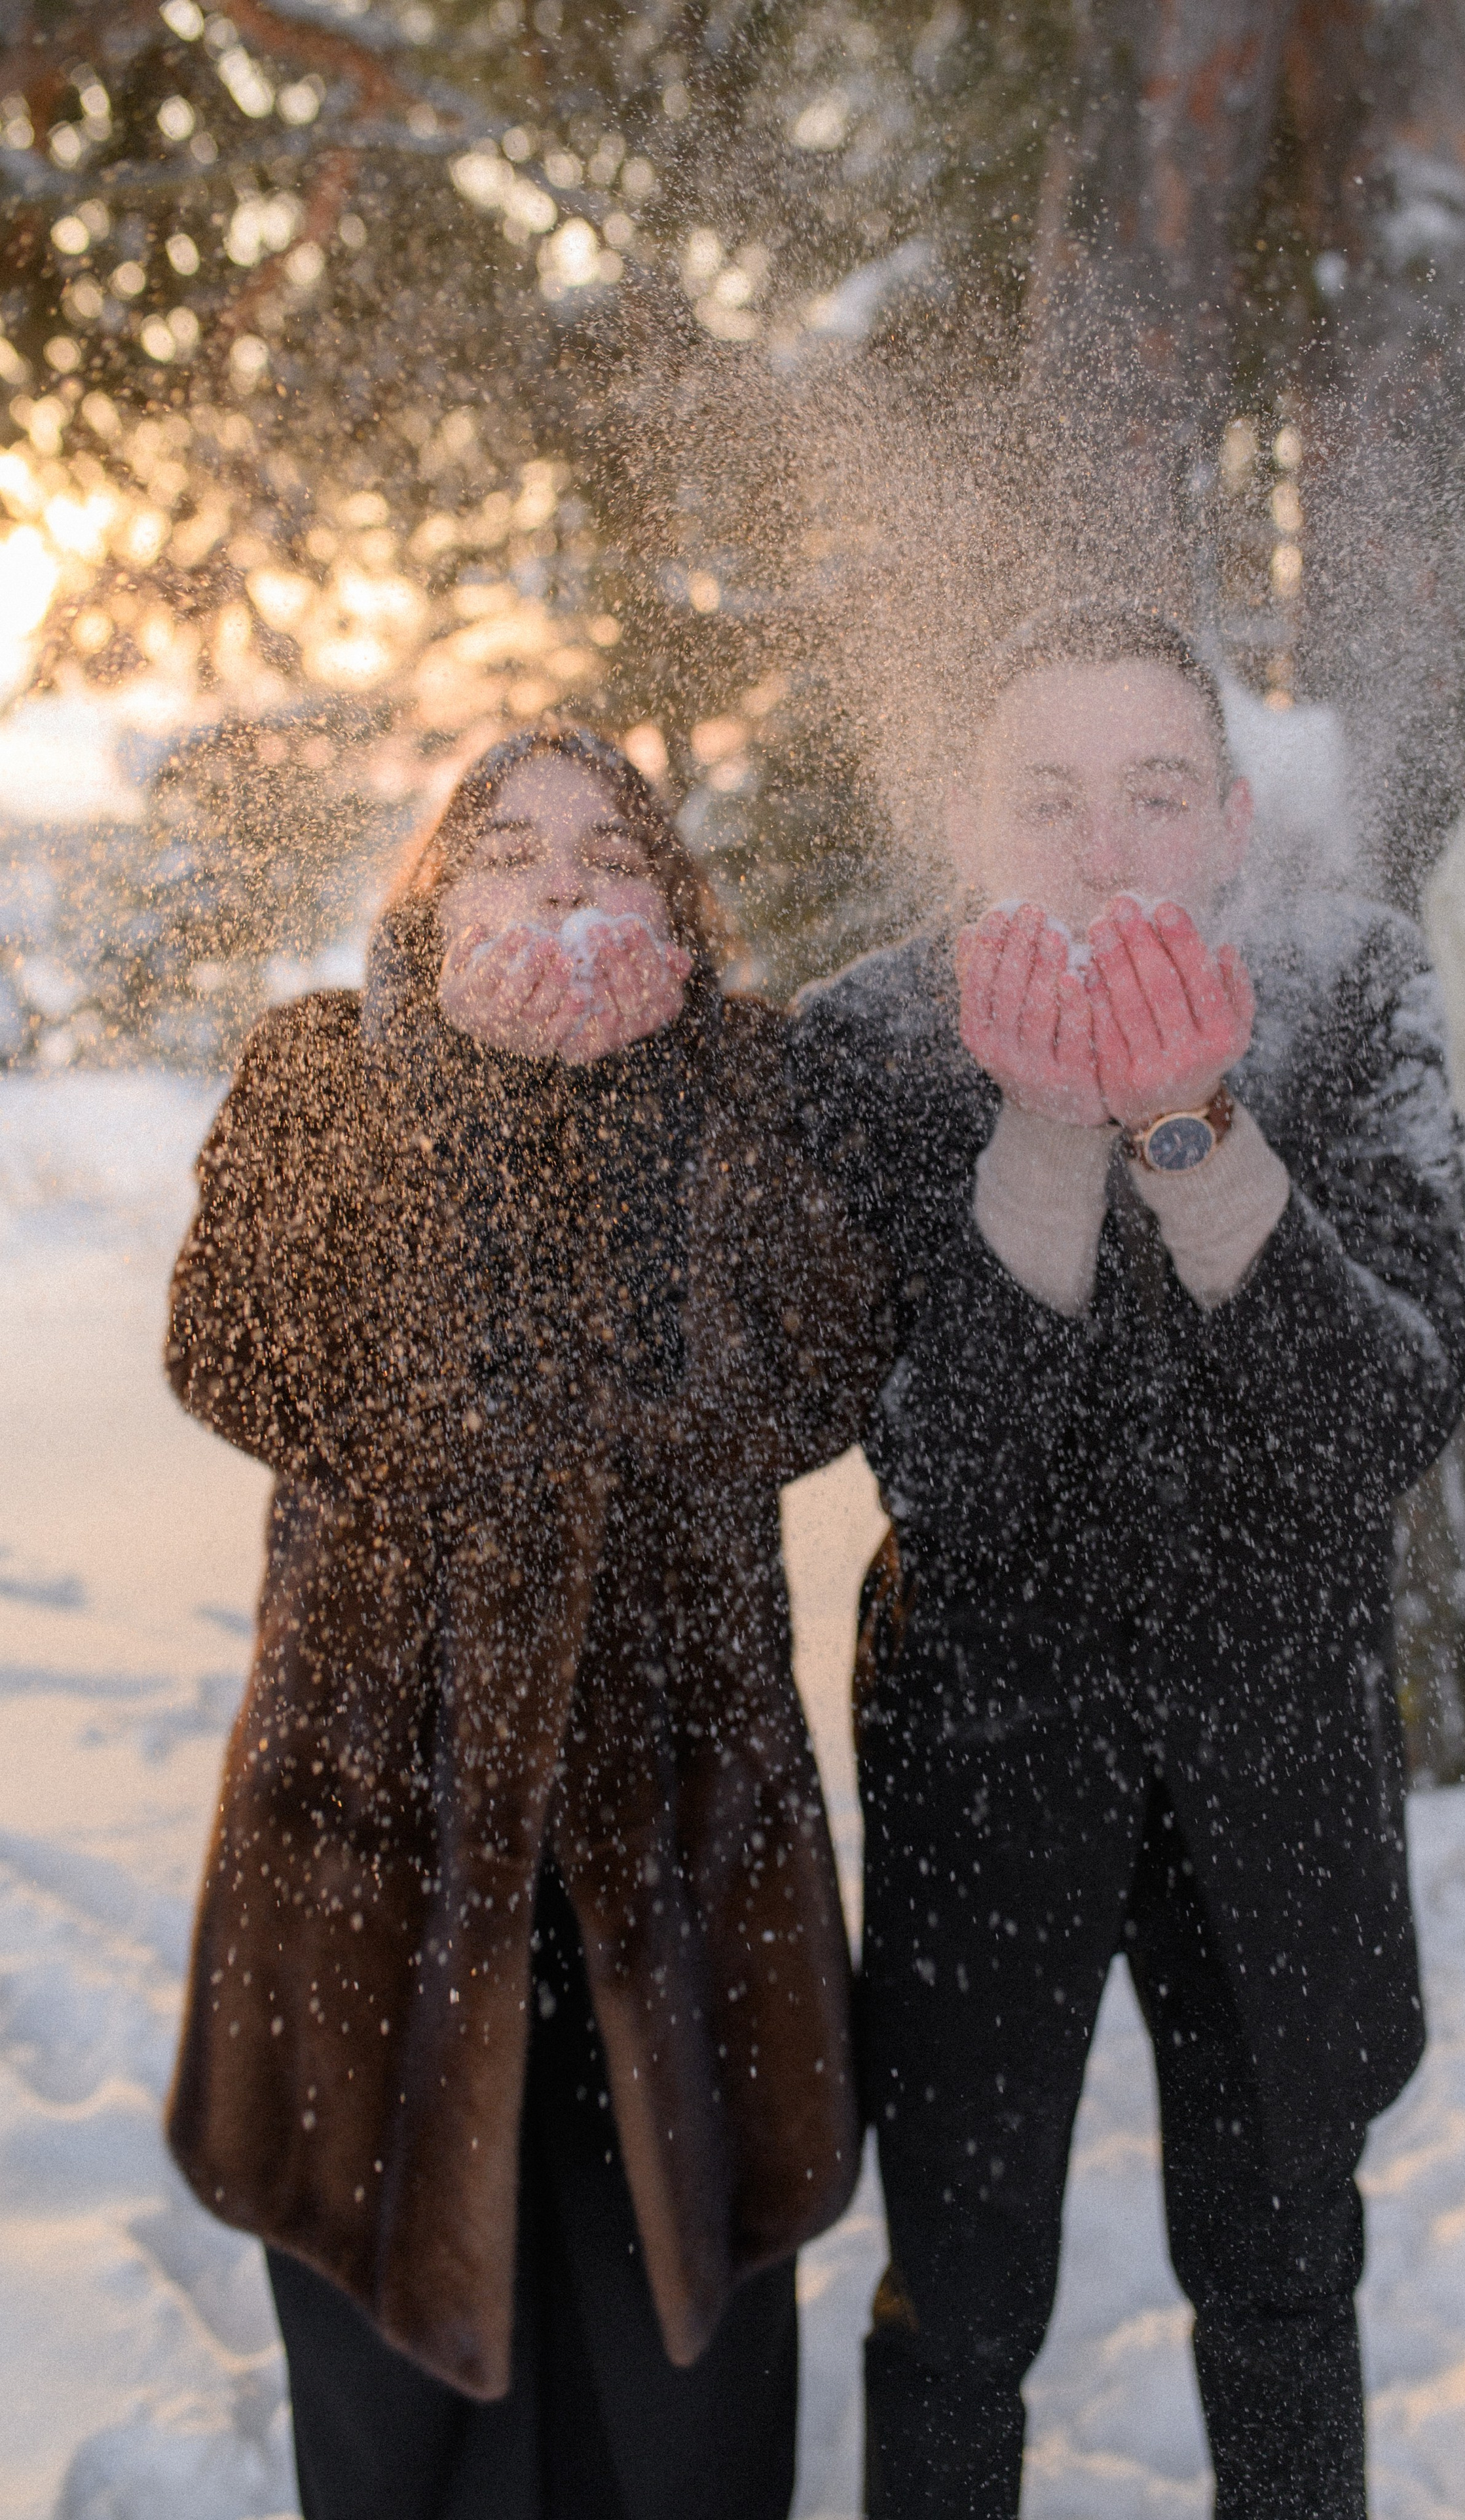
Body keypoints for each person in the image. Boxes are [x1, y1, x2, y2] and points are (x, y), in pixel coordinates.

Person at [787, 599, 1465, 2520]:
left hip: (1280, 1756)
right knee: (961, 2299)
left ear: (1235, 823)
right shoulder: (862, 1041)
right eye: (1052, 799)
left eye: (1157, 795)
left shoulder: (1356, 989)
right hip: (984, 1758)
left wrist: (1192, 1129)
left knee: (1281, 2277)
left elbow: (1391, 1420)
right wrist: (1048, 1136)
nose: (1105, 851)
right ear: (974, 823)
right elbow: (943, 1462)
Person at [163, 720, 893, 2520]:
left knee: (681, 2413)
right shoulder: (318, 1073)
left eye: (610, 846)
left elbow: (812, 1375)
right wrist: (473, 1119)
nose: (562, 874)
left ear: (674, 892)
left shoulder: (753, 1083)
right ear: (425, 897)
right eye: (505, 847)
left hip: (685, 1864)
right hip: (374, 1862)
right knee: (402, 2421)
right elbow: (245, 1357)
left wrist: (626, 1138)